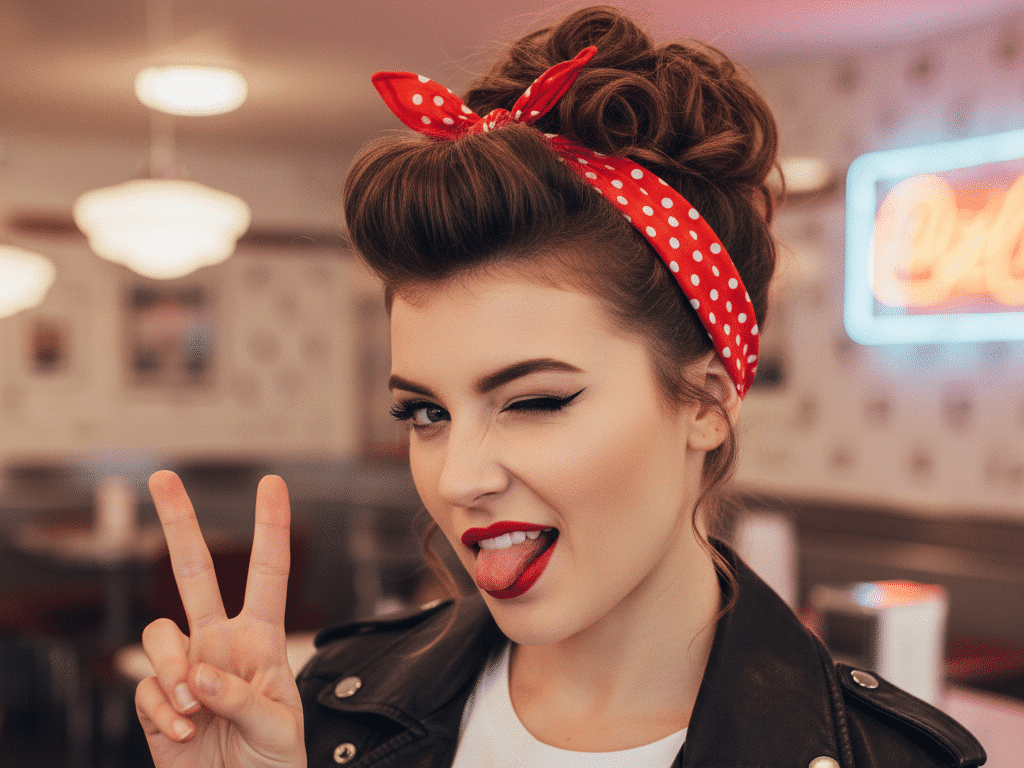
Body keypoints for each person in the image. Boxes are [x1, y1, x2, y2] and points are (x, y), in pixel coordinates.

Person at [135, 7, 986, 767]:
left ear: (708, 401)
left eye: (535, 401)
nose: (458, 476)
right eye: (425, 412)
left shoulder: (881, 758)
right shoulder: (330, 705)